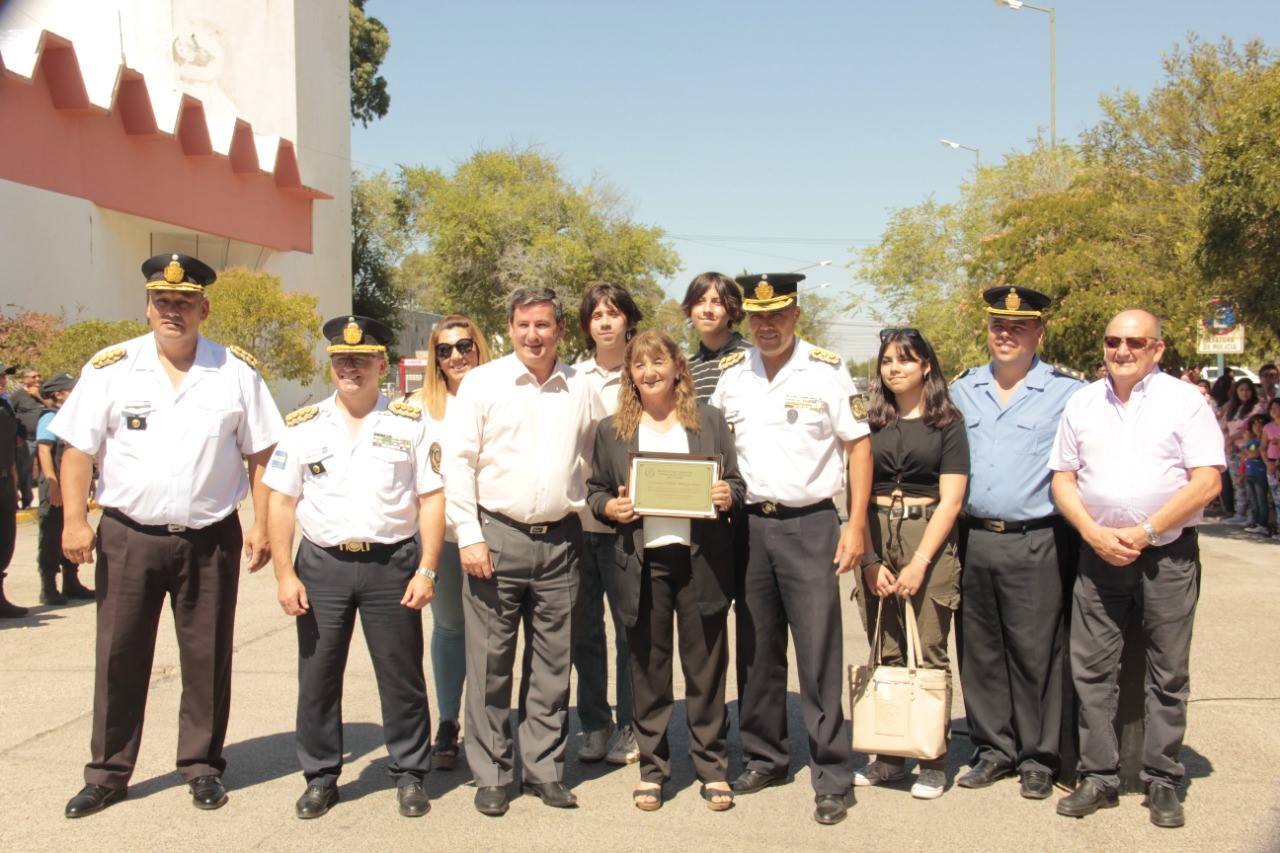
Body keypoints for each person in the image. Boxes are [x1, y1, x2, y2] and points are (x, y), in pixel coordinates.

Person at [52, 253, 283, 818]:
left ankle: (202, 765)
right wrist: (75, 520)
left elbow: (263, 454)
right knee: (119, 655)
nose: (172, 311)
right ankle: (108, 774)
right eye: (163, 301)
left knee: (206, 657)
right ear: (148, 305)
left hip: (210, 537)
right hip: (129, 535)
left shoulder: (235, 370)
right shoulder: (111, 368)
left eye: (184, 302)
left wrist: (261, 523)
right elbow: (78, 448)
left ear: (204, 307)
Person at [264, 315, 445, 820]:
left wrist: (427, 569)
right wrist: (285, 573)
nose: (351, 368)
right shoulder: (304, 425)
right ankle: (321, 776)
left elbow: (432, 498)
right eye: (342, 360)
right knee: (318, 675)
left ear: (380, 364)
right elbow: (280, 502)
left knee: (402, 674)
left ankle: (410, 772)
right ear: (332, 366)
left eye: (361, 360)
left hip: (392, 564)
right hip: (323, 566)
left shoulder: (410, 422)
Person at [1050, 309, 1224, 829]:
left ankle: (1162, 778)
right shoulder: (1082, 402)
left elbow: (1208, 481)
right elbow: (1063, 479)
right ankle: (1098, 776)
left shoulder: (1185, 401)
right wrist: (1093, 533)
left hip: (1166, 556)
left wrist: (1147, 531)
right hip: (1098, 557)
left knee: (1167, 673)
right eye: (1113, 341)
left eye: (1134, 341)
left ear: (1157, 349)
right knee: (1092, 672)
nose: (1122, 350)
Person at [710, 272, 872, 826]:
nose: (767, 325)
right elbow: (714, 448)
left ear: (796, 315)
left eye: (777, 315)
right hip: (748, 525)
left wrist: (855, 527)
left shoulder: (825, 369)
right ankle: (766, 756)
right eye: (758, 317)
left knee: (819, 650)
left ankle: (832, 773)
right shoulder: (733, 374)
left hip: (811, 525)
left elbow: (858, 445)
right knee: (756, 648)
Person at [444, 287, 605, 817]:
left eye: (543, 325)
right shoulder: (483, 383)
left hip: (561, 540)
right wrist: (468, 535)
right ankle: (491, 773)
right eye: (523, 326)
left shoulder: (581, 385)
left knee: (553, 665)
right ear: (509, 329)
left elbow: (594, 452)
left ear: (560, 329)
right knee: (490, 663)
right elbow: (459, 463)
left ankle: (544, 770)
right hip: (496, 538)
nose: (533, 335)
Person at [587, 330, 744, 811]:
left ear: (678, 366)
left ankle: (712, 768)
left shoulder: (711, 422)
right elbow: (594, 493)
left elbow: (736, 483)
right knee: (649, 671)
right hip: (642, 564)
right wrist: (612, 509)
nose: (650, 373)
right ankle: (653, 770)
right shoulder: (612, 430)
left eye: (659, 362)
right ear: (629, 376)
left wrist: (726, 496)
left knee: (706, 671)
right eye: (639, 366)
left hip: (701, 564)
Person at [947, 287, 1086, 799]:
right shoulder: (963, 389)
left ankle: (1037, 757)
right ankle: (992, 749)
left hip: (1036, 539)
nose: (1005, 335)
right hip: (975, 537)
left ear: (1039, 333)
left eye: (1018, 327)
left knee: (1035, 652)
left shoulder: (1069, 393)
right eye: (998, 327)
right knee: (980, 650)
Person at [853, 328, 969, 800]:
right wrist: (870, 558)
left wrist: (921, 562)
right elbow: (854, 491)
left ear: (926, 366)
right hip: (877, 532)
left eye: (906, 359)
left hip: (929, 536)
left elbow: (953, 497)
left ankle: (932, 758)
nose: (895, 368)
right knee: (886, 646)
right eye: (887, 361)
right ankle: (888, 756)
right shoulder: (869, 421)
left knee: (930, 649)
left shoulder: (948, 421)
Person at [403, 314, 492, 772]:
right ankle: (449, 719)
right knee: (451, 629)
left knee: (495, 633)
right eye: (445, 349)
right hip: (445, 537)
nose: (456, 356)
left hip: (494, 533)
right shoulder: (415, 407)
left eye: (464, 346)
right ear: (434, 359)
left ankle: (491, 723)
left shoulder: (501, 393)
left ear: (479, 348)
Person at [573, 284, 642, 765]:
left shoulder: (645, 373)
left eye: (613, 313)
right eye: (596, 314)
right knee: (584, 632)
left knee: (629, 631)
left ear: (627, 320)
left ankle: (631, 726)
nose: (604, 322)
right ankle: (594, 723)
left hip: (630, 524)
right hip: (578, 522)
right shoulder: (572, 378)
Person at [34, 372, 95, 605]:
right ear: (59, 394)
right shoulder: (49, 417)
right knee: (51, 535)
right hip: (55, 486)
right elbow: (44, 451)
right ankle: (48, 587)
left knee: (74, 530)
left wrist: (88, 480)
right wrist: (52, 483)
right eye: (71, 389)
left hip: (71, 487)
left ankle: (72, 582)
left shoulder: (72, 416)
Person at [682, 272, 753, 403]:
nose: (707, 309)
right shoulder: (686, 370)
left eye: (717, 302)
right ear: (689, 309)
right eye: (700, 301)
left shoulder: (752, 358)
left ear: (733, 311)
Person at [0, 361, 26, 618]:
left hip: (6, 478)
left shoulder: (5, 405)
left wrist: (15, 478)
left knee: (5, 538)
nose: (3, 381)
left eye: (3, 377)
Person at [1220, 378, 1262, 526]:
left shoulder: (1256, 408)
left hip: (1248, 449)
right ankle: (1240, 512)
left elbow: (1248, 428)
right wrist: (1228, 440)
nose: (1245, 393)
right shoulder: (1234, 409)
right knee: (1237, 483)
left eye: (1248, 390)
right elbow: (1225, 427)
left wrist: (1232, 438)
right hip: (1232, 451)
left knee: (1248, 483)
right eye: (1241, 390)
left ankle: (1252, 515)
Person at [9, 367, 48, 510]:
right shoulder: (17, 396)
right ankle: (26, 501)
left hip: (46, 439)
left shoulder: (45, 393)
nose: (37, 379)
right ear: (24, 380)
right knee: (25, 470)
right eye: (33, 377)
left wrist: (39, 396)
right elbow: (10, 416)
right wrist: (16, 435)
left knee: (47, 470)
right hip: (26, 440)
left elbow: (55, 407)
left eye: (38, 376)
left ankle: (47, 499)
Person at [1241, 415, 1272, 535]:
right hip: (1249, 473)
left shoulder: (1263, 441)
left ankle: (1262, 523)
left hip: (1260, 474)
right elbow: (1243, 454)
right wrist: (1249, 454)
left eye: (1261, 425)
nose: (1258, 427)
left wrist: (1249, 454)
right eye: (1255, 425)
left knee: (1261, 500)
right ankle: (1254, 521)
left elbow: (1255, 454)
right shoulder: (1252, 440)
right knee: (1253, 500)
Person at [1264, 399, 1280, 541]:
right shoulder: (1268, 427)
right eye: (1272, 408)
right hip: (1272, 465)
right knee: (1276, 498)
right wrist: (1268, 462)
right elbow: (1263, 448)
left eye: (1278, 407)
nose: (1275, 410)